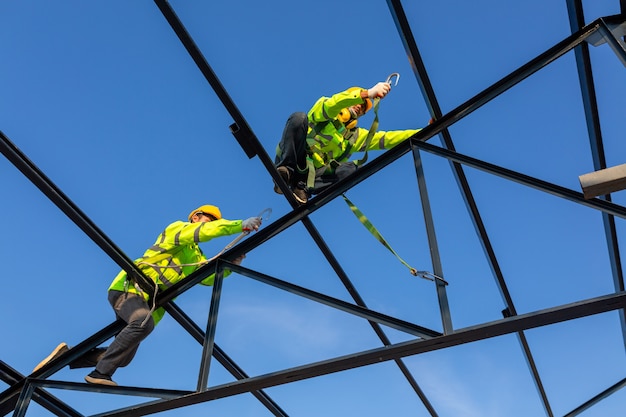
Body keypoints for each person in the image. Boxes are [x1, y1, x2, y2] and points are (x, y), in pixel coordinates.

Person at [33, 204, 261, 386]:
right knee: (142, 323)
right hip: (129, 290)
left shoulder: (195, 254)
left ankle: (64, 357)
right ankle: (100, 374)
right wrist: (238, 225)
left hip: (147, 303)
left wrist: (231, 263)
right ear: (196, 217)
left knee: (125, 358)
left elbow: (206, 278)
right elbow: (204, 232)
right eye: (209, 220)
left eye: (214, 222)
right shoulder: (178, 230)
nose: (211, 224)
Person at [273, 80, 423, 204]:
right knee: (299, 118)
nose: (360, 106)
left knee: (353, 169)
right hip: (296, 159)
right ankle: (285, 171)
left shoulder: (354, 136)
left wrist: (425, 131)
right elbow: (334, 104)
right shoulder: (326, 108)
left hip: (311, 177)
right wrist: (367, 94)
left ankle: (302, 188)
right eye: (359, 101)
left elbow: (386, 139)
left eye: (364, 107)